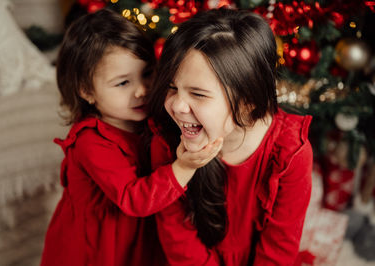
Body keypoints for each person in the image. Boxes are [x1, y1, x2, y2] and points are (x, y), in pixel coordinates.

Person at [40, 8, 222, 266]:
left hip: (141, 234)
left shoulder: (150, 120)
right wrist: (184, 167)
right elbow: (134, 198)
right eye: (122, 83)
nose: (142, 90)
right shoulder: (90, 141)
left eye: (147, 73)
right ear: (87, 92)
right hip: (99, 247)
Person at [147, 8, 313, 265]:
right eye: (172, 88)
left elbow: (278, 250)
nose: (178, 106)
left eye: (198, 94)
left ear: (248, 103)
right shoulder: (167, 140)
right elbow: (177, 238)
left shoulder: (291, 153)